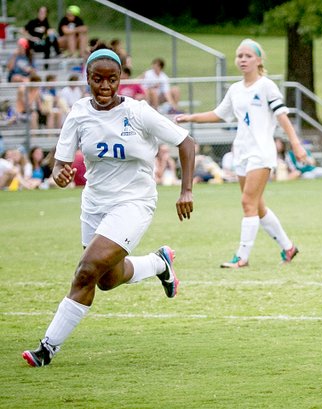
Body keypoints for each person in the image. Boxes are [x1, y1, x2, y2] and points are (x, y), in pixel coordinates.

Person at [21, 49, 196, 367]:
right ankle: (159, 263)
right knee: (106, 279)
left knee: (86, 271)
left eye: (111, 79)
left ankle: (47, 349)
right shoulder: (78, 113)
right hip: (94, 205)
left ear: (120, 80)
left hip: (134, 203)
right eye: (97, 79)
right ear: (87, 79)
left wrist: (186, 190)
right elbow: (59, 164)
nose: (104, 86)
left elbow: (186, 142)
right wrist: (60, 174)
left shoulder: (139, 112)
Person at [175, 38, 305, 268]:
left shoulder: (266, 86)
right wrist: (191, 117)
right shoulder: (235, 89)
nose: (243, 60)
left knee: (247, 202)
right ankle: (288, 247)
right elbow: (219, 114)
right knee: (257, 205)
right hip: (242, 153)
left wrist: (296, 143)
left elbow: (282, 116)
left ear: (258, 60)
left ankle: (242, 257)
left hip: (262, 153)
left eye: (248, 56)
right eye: (239, 56)